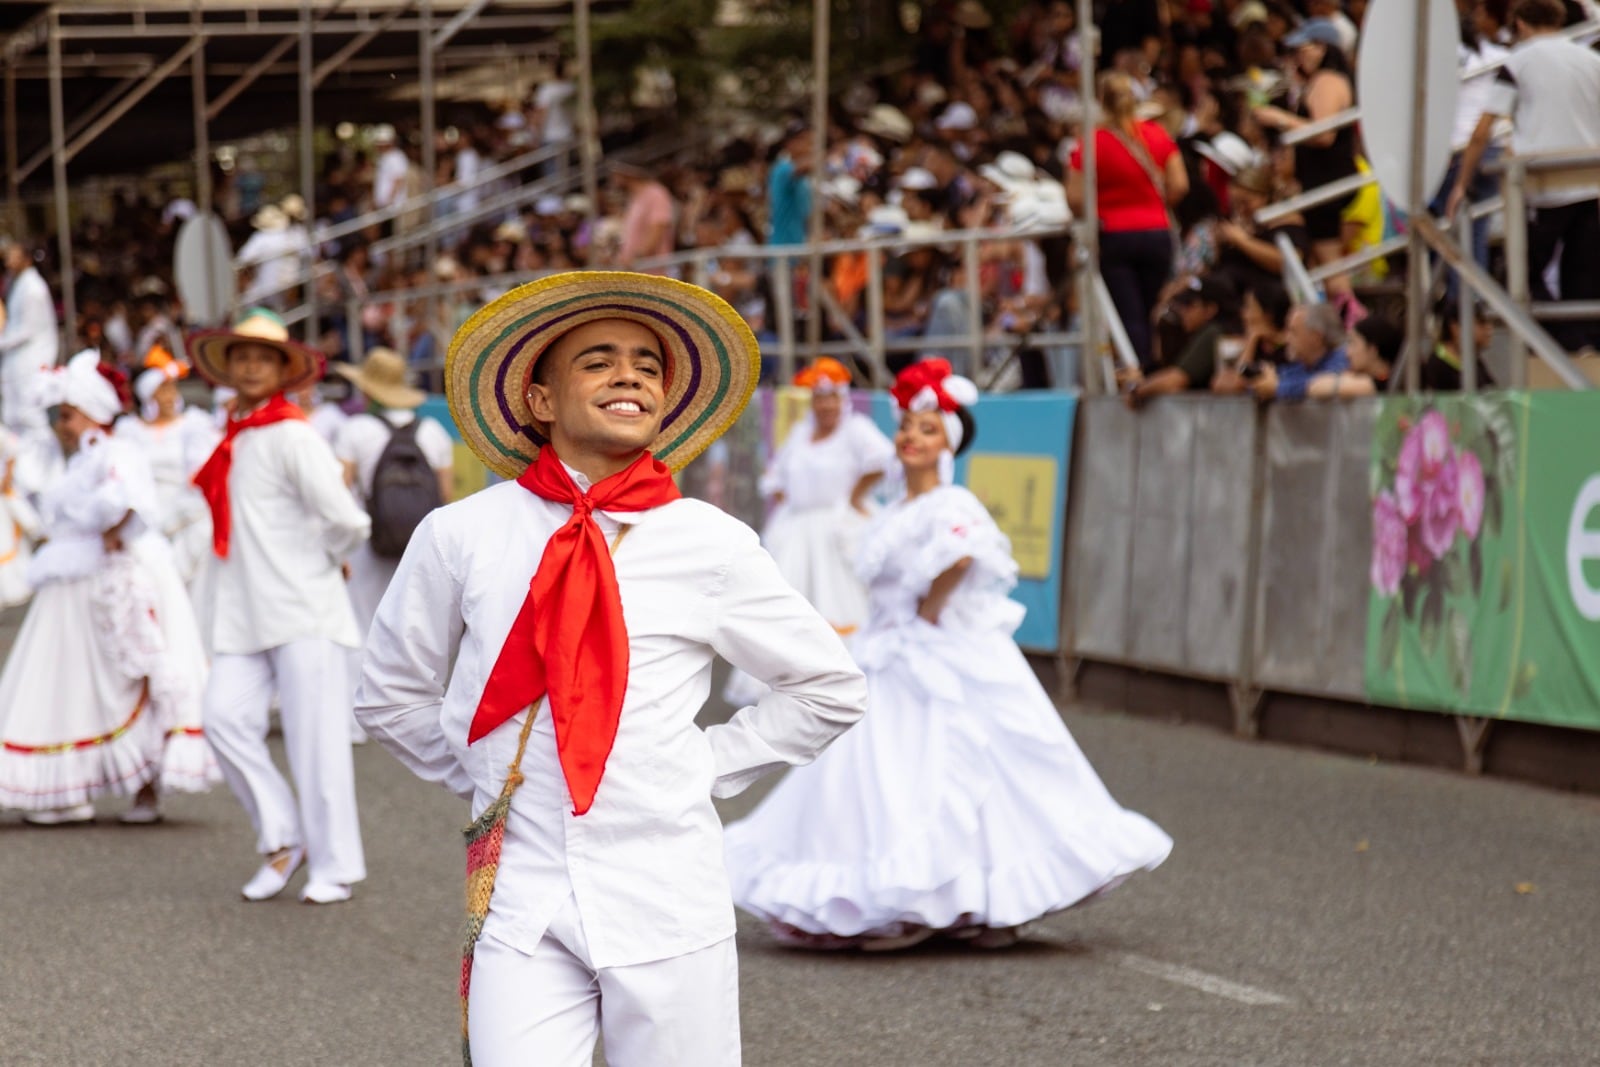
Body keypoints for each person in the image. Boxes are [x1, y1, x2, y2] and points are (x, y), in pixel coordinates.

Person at [354, 271, 867, 1066]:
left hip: (669, 895)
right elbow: (389, 694)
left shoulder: (712, 541)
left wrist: (706, 762)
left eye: (648, 364)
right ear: (540, 400)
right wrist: (480, 768)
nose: (629, 373)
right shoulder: (461, 533)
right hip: (521, 902)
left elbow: (829, 686)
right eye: (596, 360)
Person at [723, 358, 1172, 951]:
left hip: (933, 653)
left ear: (948, 444)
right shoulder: (898, 508)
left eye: (928, 429)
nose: (911, 436)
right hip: (891, 649)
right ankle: (933, 900)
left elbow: (962, 558)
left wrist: (928, 612)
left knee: (946, 772)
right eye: (907, 426)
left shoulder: (949, 504)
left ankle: (938, 900)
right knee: (886, 777)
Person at [188, 308, 372, 905]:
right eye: (241, 357)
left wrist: (326, 558)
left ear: (283, 369)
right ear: (229, 367)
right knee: (220, 718)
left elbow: (347, 519)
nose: (249, 366)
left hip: (302, 610)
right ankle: (283, 836)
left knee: (315, 744)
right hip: (243, 613)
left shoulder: (294, 433)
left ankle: (334, 867)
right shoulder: (234, 434)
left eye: (263, 358)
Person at [0, 351, 217, 825]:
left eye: (69, 415)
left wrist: (113, 531)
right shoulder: (92, 455)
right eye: (61, 416)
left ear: (91, 413)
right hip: (84, 578)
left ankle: (140, 786)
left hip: (120, 578)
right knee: (78, 684)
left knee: (130, 677)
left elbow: (129, 500)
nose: (63, 424)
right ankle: (68, 789)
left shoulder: (117, 451)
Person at [723, 357, 896, 706]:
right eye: (819, 397)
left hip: (838, 528)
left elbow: (882, 461)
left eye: (832, 397)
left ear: (843, 399)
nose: (826, 405)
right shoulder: (802, 431)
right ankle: (794, 682)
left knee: (841, 599)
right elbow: (775, 478)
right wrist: (797, 502)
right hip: (797, 531)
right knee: (789, 601)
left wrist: (853, 497)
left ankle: (845, 681)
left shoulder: (856, 429)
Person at [1451, 0, 1600, 351]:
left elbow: (1481, 131)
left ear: (1518, 24)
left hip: (1544, 186)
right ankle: (1583, 347)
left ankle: (1562, 345)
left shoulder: (1519, 62)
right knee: (1583, 277)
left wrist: (1461, 183)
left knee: (1522, 275)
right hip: (1590, 183)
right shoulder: (1592, 61)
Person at [330, 347, 453, 743]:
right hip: (418, 542)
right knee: (413, 627)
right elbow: (446, 496)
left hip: (369, 542)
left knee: (361, 624)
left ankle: (355, 722)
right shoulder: (433, 432)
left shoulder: (355, 430)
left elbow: (339, 490)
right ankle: (413, 719)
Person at [1067, 71, 1188, 370]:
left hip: (1116, 235)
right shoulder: (1156, 135)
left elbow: (1074, 197)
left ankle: (1138, 368)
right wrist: (1154, 206)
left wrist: (1103, 210)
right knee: (1154, 305)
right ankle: (1158, 365)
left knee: (1128, 309)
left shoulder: (1091, 142)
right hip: (1157, 232)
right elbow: (1180, 185)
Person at [1253, 19, 1358, 303]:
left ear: (1322, 48)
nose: (1298, 57)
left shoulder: (1328, 80)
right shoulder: (1315, 81)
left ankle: (1350, 321)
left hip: (1327, 180)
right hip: (1315, 180)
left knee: (1331, 266)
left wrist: (1279, 118)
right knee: (1322, 263)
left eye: (1303, 50)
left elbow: (1323, 135)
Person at [113, 354, 221, 594]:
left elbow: (201, 469)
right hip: (144, 508)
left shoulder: (194, 425)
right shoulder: (129, 430)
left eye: (172, 389)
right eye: (162, 391)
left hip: (186, 509)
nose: (170, 397)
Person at [1119, 275, 1236, 404]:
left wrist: (1136, 389)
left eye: (1189, 304)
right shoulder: (1189, 331)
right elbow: (1160, 360)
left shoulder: (1214, 332)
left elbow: (1176, 379)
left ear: (1210, 310)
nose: (1182, 310)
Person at [0, 239, 58, 436]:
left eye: (13, 257)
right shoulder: (18, 284)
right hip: (17, 361)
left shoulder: (34, 288)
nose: (8, 262)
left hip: (31, 361)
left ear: (26, 259)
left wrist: (2, 342)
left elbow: (26, 329)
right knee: (14, 415)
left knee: (31, 416)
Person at [1244, 302, 1350, 402]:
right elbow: (1262, 385)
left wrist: (1277, 388)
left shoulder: (1343, 359)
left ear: (1315, 337)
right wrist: (1262, 383)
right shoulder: (1301, 365)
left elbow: (1320, 384)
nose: (1287, 338)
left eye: (1293, 332)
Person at [1310, 313, 1402, 397]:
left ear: (1372, 350)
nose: (1347, 353)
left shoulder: (1385, 383)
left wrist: (1341, 382)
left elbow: (1316, 387)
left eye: (1353, 343)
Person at [1422, 300, 1497, 391]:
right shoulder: (1437, 368)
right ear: (1455, 328)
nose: (1489, 328)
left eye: (1490, 323)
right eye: (1481, 322)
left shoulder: (1473, 361)